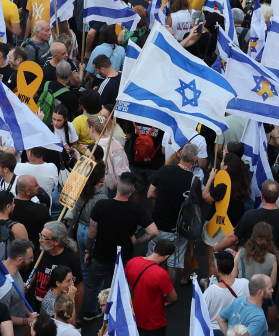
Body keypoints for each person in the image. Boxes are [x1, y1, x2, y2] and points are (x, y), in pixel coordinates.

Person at [83, 172, 156, 319]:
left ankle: (78, 318)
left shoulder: (101, 205)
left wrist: (88, 250)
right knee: (122, 288)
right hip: (124, 257)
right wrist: (137, 240)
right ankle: (121, 319)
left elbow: (92, 231)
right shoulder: (137, 210)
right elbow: (153, 232)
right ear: (133, 190)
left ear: (117, 185)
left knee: (90, 288)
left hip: (101, 255)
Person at [147, 144, 200, 285]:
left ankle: (148, 286)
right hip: (177, 228)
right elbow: (198, 203)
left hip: (156, 225)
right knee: (174, 262)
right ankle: (167, 294)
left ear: (180, 154)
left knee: (153, 257)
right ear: (194, 160)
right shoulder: (194, 181)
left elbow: (150, 194)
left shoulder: (164, 169)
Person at [125, 238, 177, 336]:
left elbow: (130, 287)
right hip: (154, 322)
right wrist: (163, 298)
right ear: (166, 257)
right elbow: (173, 297)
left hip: (134, 316)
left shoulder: (132, 262)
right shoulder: (161, 274)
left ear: (154, 248)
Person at [202, 251, 248, 326]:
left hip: (216, 330)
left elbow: (201, 311)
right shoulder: (245, 283)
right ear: (232, 266)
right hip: (237, 330)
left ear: (217, 270)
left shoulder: (211, 290)